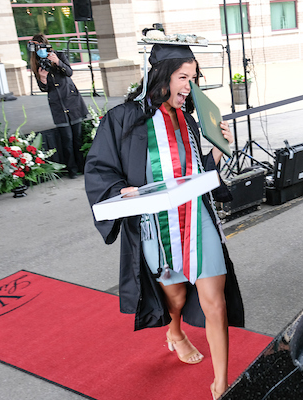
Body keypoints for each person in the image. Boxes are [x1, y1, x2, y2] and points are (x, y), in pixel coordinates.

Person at [84, 43, 244, 400]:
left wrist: (218, 146)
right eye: (182, 77)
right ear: (161, 77)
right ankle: (175, 331)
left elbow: (197, 170)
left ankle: (221, 383)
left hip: (197, 217)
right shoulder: (124, 118)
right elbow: (98, 167)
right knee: (174, 296)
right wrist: (119, 188)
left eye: (193, 77)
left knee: (214, 300)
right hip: (157, 225)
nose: (189, 85)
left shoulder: (186, 117)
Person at [30, 33, 87, 179]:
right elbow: (44, 89)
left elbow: (69, 72)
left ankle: (83, 166)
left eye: (41, 46)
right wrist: (42, 78)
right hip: (58, 105)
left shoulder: (59, 55)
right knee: (66, 139)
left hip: (71, 101)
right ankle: (72, 170)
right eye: (36, 48)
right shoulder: (36, 64)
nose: (39, 50)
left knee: (77, 137)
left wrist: (58, 62)